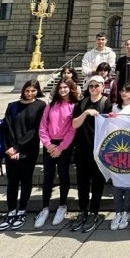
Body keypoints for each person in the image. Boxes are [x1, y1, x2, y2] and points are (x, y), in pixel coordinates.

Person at [0, 80, 46, 231]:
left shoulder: (41, 106)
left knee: (26, 181)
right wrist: (11, 148)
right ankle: (11, 211)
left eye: (33, 91)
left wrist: (18, 147)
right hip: (11, 150)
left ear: (37, 91)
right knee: (12, 181)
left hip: (28, 149)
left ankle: (21, 210)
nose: (30, 93)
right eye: (27, 90)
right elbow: (7, 128)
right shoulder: (12, 106)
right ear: (23, 91)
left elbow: (35, 130)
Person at [70, 75, 113, 233]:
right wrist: (86, 113)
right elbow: (74, 124)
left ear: (102, 87)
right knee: (82, 182)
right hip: (82, 148)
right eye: (91, 86)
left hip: (98, 149)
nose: (94, 88)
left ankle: (94, 211)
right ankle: (83, 211)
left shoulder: (106, 103)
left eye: (97, 86)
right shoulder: (82, 103)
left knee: (97, 182)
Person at [35, 79, 79, 228]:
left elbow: (72, 129)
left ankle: (62, 205)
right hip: (50, 144)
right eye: (60, 87)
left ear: (71, 88)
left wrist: (61, 148)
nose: (63, 90)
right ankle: (45, 208)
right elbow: (42, 126)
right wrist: (48, 144)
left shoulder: (74, 106)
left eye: (65, 87)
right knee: (48, 176)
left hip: (64, 146)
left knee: (63, 174)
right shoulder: (50, 105)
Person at [108, 83, 130, 230]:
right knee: (117, 181)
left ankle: (126, 211)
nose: (124, 93)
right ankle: (118, 212)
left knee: (129, 181)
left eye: (127, 91)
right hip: (117, 147)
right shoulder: (115, 107)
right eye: (122, 90)